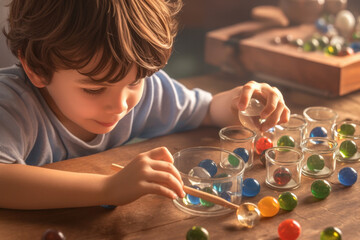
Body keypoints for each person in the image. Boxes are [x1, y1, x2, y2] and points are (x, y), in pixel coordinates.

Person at [0, 0, 290, 210]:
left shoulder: (148, 91)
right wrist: (107, 189)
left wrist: (241, 102)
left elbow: (205, 110)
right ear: (36, 68)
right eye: (94, 89)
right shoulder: (11, 105)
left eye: (134, 82)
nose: (120, 105)